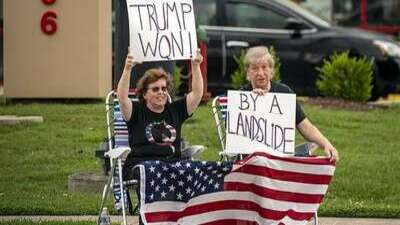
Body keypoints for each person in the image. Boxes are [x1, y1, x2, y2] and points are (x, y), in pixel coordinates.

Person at [240, 46, 339, 162]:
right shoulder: (242, 96)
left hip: (279, 159)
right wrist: (252, 101)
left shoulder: (284, 93)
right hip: (251, 159)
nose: (260, 73)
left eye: (264, 67)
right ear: (248, 73)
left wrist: (327, 145)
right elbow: (237, 135)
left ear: (271, 71)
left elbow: (305, 126)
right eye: (255, 68)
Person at [117, 48, 204, 179]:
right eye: (155, 89)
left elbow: (197, 94)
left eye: (164, 88)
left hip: (172, 167)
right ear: (145, 94)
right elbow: (122, 98)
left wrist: (195, 65)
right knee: (154, 172)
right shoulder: (136, 111)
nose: (161, 92)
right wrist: (128, 68)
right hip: (142, 167)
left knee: (200, 170)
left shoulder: (175, 110)